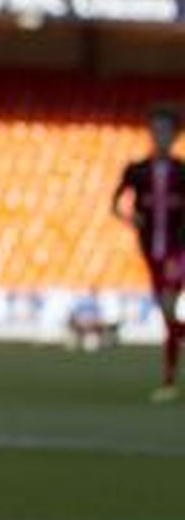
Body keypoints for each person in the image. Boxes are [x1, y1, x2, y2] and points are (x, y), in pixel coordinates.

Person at [111, 103, 185, 401]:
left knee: (168, 306)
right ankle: (169, 381)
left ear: (176, 134)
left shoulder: (183, 172)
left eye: (166, 130)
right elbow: (115, 205)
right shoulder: (137, 170)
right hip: (151, 251)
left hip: (178, 249)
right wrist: (132, 218)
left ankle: (169, 380)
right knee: (167, 318)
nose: (160, 136)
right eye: (156, 130)